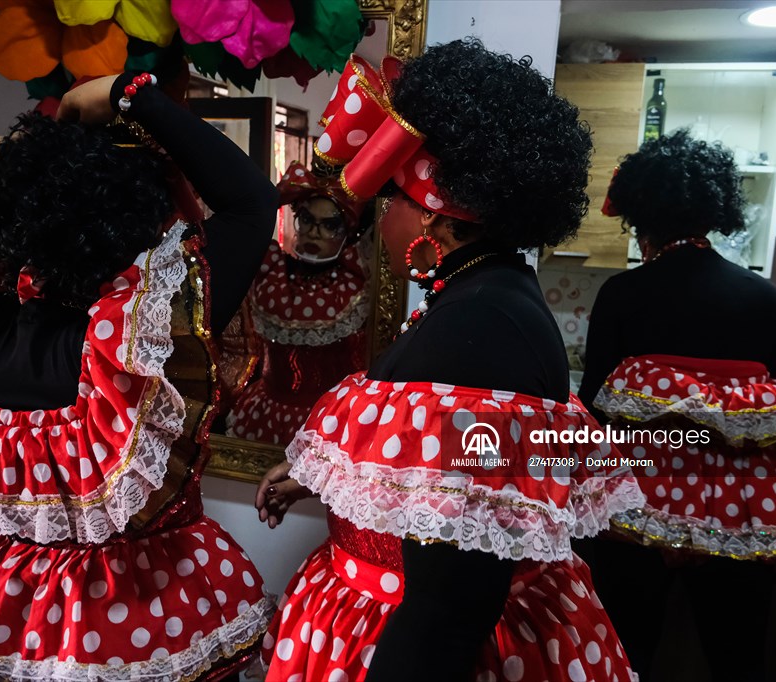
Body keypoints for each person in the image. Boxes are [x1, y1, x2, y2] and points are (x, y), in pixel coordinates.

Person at [253, 39, 646, 682]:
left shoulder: (481, 326)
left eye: (391, 202)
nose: (380, 220)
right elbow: (439, 476)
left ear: (433, 217)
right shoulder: (483, 298)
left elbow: (451, 597)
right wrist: (332, 480)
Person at [0, 71, 278, 681]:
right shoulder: (144, 331)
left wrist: (25, 162)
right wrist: (133, 92)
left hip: (10, 603)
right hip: (148, 602)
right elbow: (253, 203)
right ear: (140, 211)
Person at [577, 130, 776, 680]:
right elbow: (773, 412)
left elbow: (590, 410)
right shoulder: (763, 297)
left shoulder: (623, 294)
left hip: (636, 499)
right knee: (737, 657)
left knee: (624, 654)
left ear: (640, 211)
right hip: (739, 509)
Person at [226, 161, 371, 445]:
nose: (314, 232)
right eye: (307, 219)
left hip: (332, 419)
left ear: (348, 231)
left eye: (329, 225)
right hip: (266, 411)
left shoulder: (356, 286)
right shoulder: (271, 273)